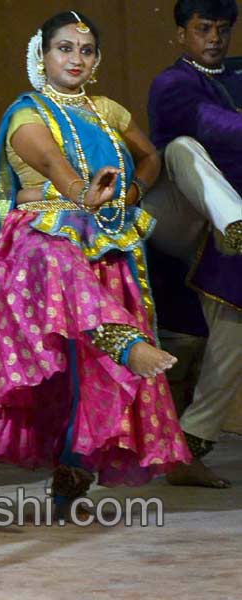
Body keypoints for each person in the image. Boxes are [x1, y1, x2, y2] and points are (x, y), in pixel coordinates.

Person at [0, 10, 191, 517]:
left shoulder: (107, 109)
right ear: (41, 55)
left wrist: (130, 192)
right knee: (62, 275)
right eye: (64, 48)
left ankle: (72, 473)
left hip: (105, 243)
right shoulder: (26, 114)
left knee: (84, 374)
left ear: (97, 60)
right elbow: (50, 162)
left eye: (85, 51)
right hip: (40, 245)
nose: (75, 58)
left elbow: (151, 157)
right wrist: (80, 195)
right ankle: (121, 339)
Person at [144, 0, 242, 489]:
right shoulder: (173, 83)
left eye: (223, 29)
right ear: (182, 33)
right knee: (183, 147)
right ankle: (236, 223)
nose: (214, 38)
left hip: (222, 228)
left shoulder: (239, 73)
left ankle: (193, 441)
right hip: (174, 210)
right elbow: (214, 128)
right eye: (204, 28)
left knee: (234, 331)